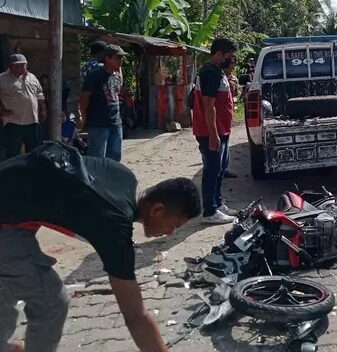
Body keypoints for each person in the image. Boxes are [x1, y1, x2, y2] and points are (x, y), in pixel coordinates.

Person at [0, 141, 201, 352]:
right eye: (174, 226)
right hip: (6, 224)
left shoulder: (124, 176)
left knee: (10, 282)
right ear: (158, 209)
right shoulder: (114, 225)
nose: (170, 233)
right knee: (52, 303)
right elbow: (135, 316)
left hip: (11, 205)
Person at [192, 37, 238, 224]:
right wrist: (213, 134)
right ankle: (210, 211)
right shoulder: (210, 72)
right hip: (212, 131)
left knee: (219, 169)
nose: (230, 59)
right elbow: (208, 106)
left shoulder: (217, 71)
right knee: (212, 170)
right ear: (219, 53)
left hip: (221, 130)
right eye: (228, 55)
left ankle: (217, 203)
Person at [79, 45, 126, 162]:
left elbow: (117, 91)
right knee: (97, 159)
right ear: (107, 58)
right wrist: (83, 118)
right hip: (98, 124)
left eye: (122, 58)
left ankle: (111, 180)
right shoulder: (94, 76)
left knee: (115, 159)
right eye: (118, 58)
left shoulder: (116, 77)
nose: (121, 61)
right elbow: (84, 99)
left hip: (115, 123)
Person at [0, 54, 46, 158]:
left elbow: (39, 94)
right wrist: (1, 111)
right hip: (13, 122)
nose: (21, 68)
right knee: (13, 153)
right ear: (10, 67)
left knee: (33, 151)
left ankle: (31, 173)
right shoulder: (2, 79)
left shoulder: (32, 77)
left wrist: (43, 109)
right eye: (17, 66)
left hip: (32, 121)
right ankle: (13, 173)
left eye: (23, 65)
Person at [221, 55, 240, 180]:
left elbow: (235, 95)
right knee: (220, 144)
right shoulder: (218, 78)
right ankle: (220, 170)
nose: (233, 67)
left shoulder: (233, 79)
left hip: (227, 114)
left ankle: (224, 169)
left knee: (226, 142)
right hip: (219, 116)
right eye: (231, 64)